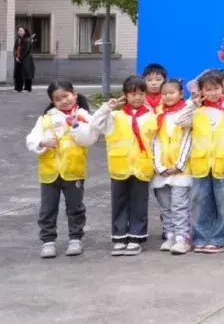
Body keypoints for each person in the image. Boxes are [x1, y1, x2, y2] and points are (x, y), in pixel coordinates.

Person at [87, 76, 159, 256]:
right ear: (125, 95)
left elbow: (155, 141)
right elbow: (94, 125)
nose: (137, 97)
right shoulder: (115, 116)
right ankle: (119, 237)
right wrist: (106, 108)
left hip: (142, 166)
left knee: (139, 203)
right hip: (120, 166)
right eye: (133, 94)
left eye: (141, 93)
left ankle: (136, 237)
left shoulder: (152, 116)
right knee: (119, 202)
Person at [28, 81, 93, 258]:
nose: (63, 101)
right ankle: (48, 241)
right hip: (49, 172)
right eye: (58, 99)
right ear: (52, 101)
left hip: (73, 171)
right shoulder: (45, 119)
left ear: (74, 94)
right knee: (47, 208)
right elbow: (32, 139)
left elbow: (89, 139)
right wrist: (42, 142)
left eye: (66, 96)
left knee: (75, 207)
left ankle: (75, 238)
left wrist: (76, 126)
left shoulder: (83, 116)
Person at [188, 72, 224, 254]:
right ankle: (200, 238)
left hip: (223, 166)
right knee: (200, 203)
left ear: (222, 88)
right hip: (201, 165)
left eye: (216, 88)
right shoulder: (197, 111)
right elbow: (180, 121)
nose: (213, 93)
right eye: (208, 90)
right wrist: (192, 103)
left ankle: (221, 239)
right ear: (202, 91)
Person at [151, 79, 195, 254]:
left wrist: (180, 165)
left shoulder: (186, 113)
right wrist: (158, 166)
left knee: (179, 206)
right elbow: (154, 141)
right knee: (165, 206)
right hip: (161, 170)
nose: (168, 96)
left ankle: (182, 238)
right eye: (164, 93)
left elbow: (188, 140)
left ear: (181, 94)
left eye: (172, 92)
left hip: (181, 170)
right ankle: (170, 235)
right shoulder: (157, 114)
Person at [13, 26, 35, 93]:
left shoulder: (27, 40)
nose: (20, 32)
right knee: (18, 73)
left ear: (25, 32)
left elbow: (26, 50)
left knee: (27, 73)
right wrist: (16, 57)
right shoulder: (18, 40)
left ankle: (27, 88)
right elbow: (15, 49)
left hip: (26, 59)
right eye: (19, 31)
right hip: (18, 58)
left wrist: (20, 57)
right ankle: (18, 88)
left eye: (21, 31)